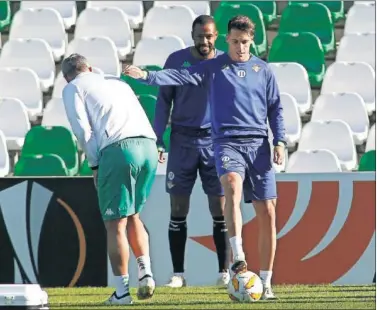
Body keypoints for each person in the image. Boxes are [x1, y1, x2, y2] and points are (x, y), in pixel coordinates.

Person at [122, 15, 286, 300]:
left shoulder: (263, 69)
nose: (239, 48)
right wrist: (147, 76)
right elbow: (179, 76)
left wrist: (280, 140)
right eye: (234, 42)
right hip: (223, 142)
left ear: (252, 41)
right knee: (229, 188)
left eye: (244, 42)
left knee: (268, 212)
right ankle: (236, 258)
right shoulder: (214, 66)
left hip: (258, 143)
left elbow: (276, 108)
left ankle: (266, 281)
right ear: (227, 40)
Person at [61, 53, 158, 305]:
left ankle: (123, 293)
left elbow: (82, 130)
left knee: (116, 224)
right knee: (134, 214)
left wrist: (94, 164)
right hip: (148, 146)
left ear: (65, 77)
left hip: (118, 150)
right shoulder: (116, 81)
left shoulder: (73, 88)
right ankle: (145, 271)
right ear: (91, 67)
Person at [154, 15, 229, 288]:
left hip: (215, 142)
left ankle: (224, 272)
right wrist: (158, 139)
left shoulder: (225, 62)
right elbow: (163, 102)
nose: (204, 41)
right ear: (193, 35)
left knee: (219, 207)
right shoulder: (176, 60)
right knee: (178, 208)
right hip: (182, 141)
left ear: (216, 36)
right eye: (200, 36)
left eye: (209, 36)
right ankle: (178, 274)